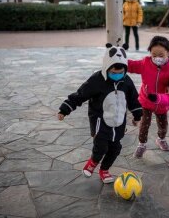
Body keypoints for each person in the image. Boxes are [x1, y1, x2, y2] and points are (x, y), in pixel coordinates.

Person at [57, 43, 142, 183]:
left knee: (115, 149)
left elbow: (133, 99)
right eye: (113, 72)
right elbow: (80, 94)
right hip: (100, 122)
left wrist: (138, 115)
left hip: (119, 122)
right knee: (101, 147)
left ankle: (104, 169)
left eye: (120, 72)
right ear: (106, 67)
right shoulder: (97, 80)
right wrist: (65, 109)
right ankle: (93, 162)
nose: (117, 75)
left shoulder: (126, 81)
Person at [128, 36, 169, 158]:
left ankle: (161, 139)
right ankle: (142, 144)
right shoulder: (145, 62)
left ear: (168, 52)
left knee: (163, 125)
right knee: (144, 124)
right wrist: (118, 59)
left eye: (161, 55)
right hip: (146, 101)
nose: (157, 58)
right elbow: (132, 65)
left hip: (161, 102)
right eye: (153, 54)